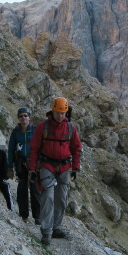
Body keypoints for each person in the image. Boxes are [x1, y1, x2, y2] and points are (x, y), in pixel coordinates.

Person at [29, 97, 82, 246]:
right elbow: (34, 149)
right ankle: (46, 230)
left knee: (61, 198)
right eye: (58, 113)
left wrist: (75, 168)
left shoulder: (71, 128)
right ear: (52, 111)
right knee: (48, 196)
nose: (60, 116)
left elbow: (76, 148)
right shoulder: (42, 128)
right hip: (47, 165)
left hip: (64, 167)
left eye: (63, 113)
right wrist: (32, 169)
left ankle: (56, 227)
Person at [7, 107, 40, 223]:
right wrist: (9, 166)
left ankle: (38, 216)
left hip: (34, 163)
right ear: (18, 118)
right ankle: (24, 215)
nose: (23, 118)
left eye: (25, 115)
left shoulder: (35, 130)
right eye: (21, 116)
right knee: (21, 189)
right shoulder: (15, 132)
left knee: (35, 189)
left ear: (29, 117)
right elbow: (11, 149)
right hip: (20, 164)